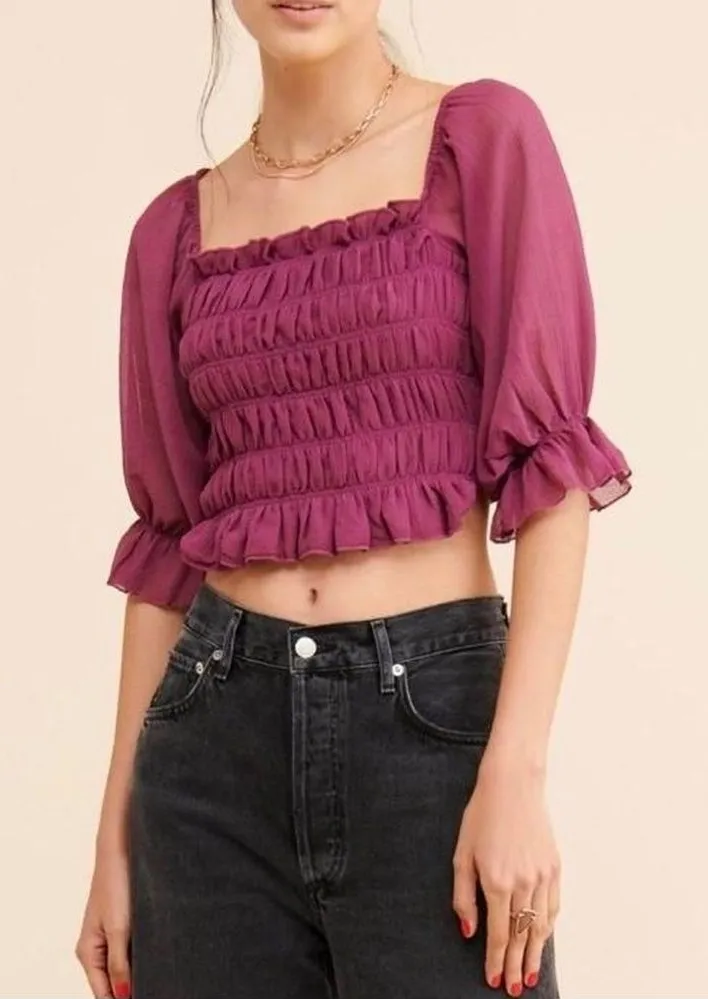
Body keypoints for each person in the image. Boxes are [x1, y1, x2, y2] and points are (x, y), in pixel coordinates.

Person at [75, 1, 632, 997]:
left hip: (432, 735)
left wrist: (515, 773)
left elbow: (553, 473)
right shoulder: (173, 232)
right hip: (212, 757)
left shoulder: (482, 141)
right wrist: (112, 842)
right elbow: (167, 553)